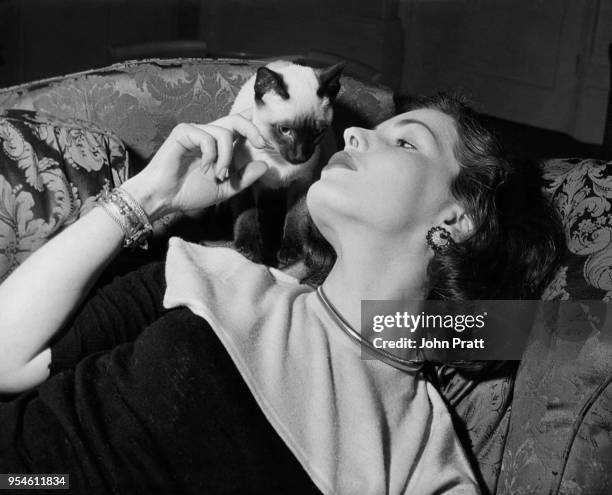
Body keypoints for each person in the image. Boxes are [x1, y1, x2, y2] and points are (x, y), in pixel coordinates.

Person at [0, 94, 562, 494]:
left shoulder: (419, 456)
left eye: (405, 141)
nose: (351, 132)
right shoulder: (216, 275)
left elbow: (560, 331)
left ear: (459, 218)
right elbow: (6, 361)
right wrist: (151, 196)